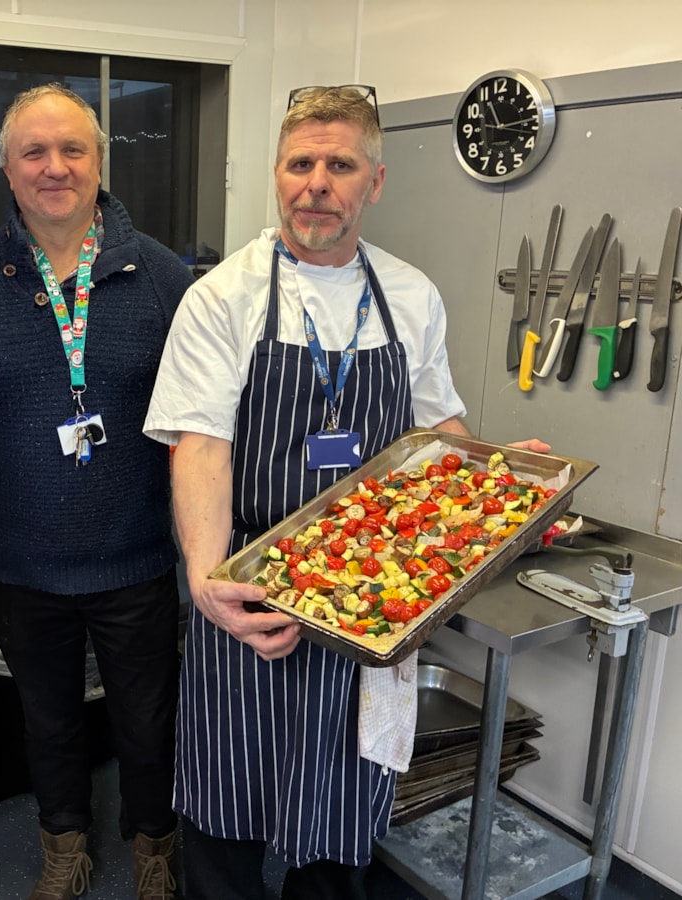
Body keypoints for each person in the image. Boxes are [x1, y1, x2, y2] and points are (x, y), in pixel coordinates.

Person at [143, 84, 549, 899]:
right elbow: (202, 449)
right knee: (226, 810)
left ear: (375, 181)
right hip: (253, 588)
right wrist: (208, 579)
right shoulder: (222, 297)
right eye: (301, 163)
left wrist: (504, 475)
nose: (317, 183)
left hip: (373, 602)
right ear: (276, 174)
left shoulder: (410, 294)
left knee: (341, 818)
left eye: (340, 164)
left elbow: (441, 440)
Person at [0, 84, 194, 900]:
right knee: (45, 720)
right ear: (6, 168)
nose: (55, 168)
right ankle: (63, 844)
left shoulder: (162, 275)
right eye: (35, 153)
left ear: (99, 160)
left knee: (147, 721)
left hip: (137, 556)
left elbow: (187, 412)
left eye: (72, 150)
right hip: (24, 559)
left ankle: (154, 845)